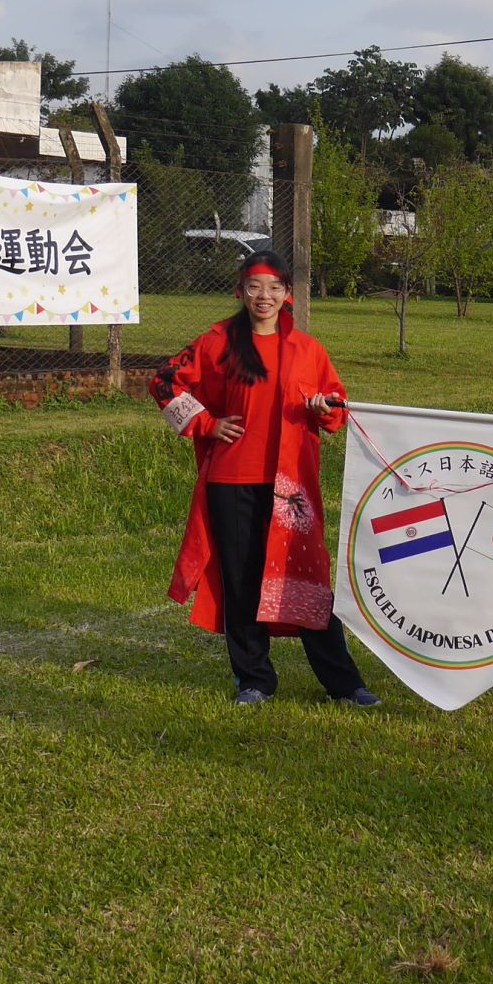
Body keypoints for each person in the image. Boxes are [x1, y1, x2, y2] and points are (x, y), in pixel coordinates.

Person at [151, 249, 376, 707]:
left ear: (288, 295)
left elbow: (337, 407)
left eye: (274, 287)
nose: (264, 296)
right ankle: (254, 680)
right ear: (240, 291)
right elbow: (163, 382)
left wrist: (322, 407)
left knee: (308, 580)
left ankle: (344, 684)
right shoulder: (217, 344)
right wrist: (206, 423)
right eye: (255, 287)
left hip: (290, 488)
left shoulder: (308, 351)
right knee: (241, 582)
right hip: (231, 482)